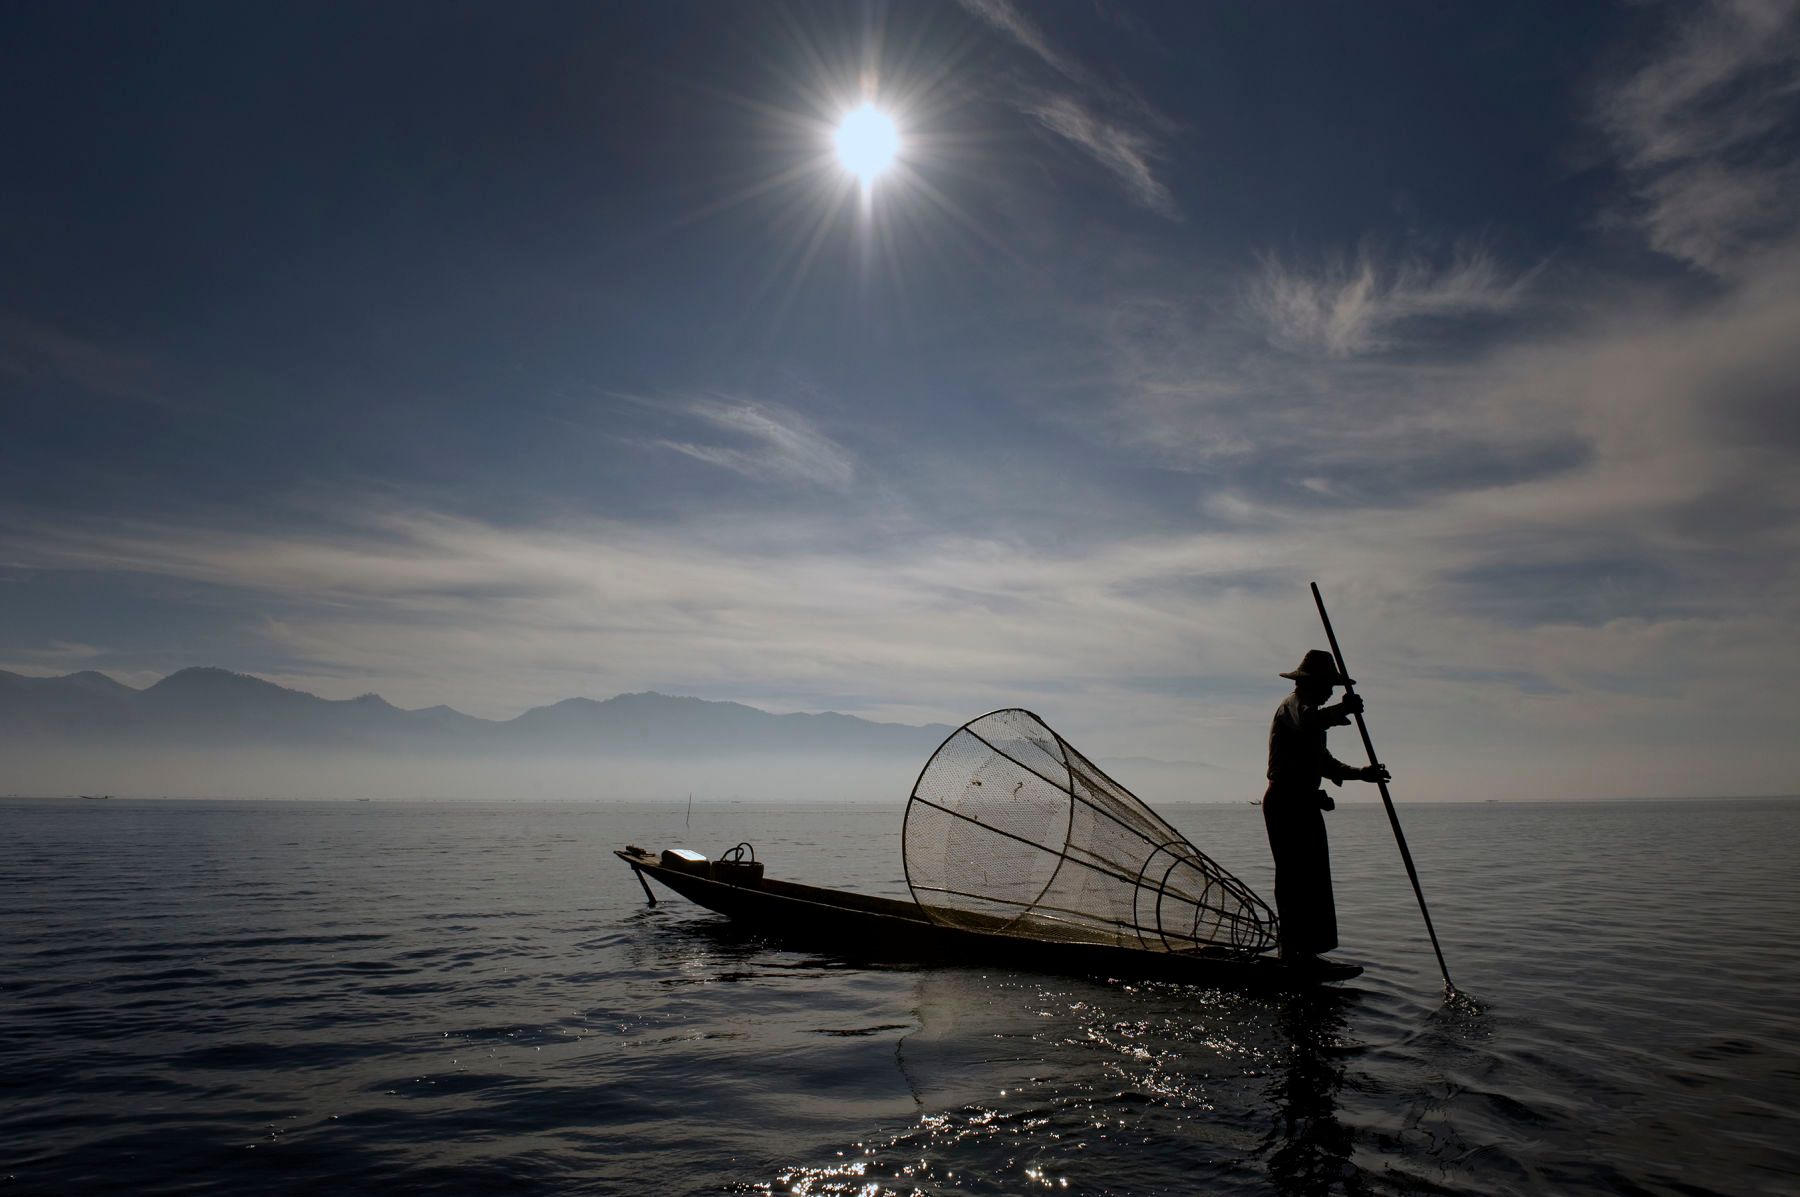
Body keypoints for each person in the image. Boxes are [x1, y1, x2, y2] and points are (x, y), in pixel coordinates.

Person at [1264, 649, 1390, 966]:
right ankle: (1292, 950)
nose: (1332, 691)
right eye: (1328, 686)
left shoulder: (1314, 720)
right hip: (1286, 804)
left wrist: (1362, 774)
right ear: (1314, 684)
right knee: (1294, 877)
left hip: (1305, 805)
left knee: (1313, 877)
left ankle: (1305, 949)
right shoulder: (1293, 708)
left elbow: (1325, 763)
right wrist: (1341, 710)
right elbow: (1309, 720)